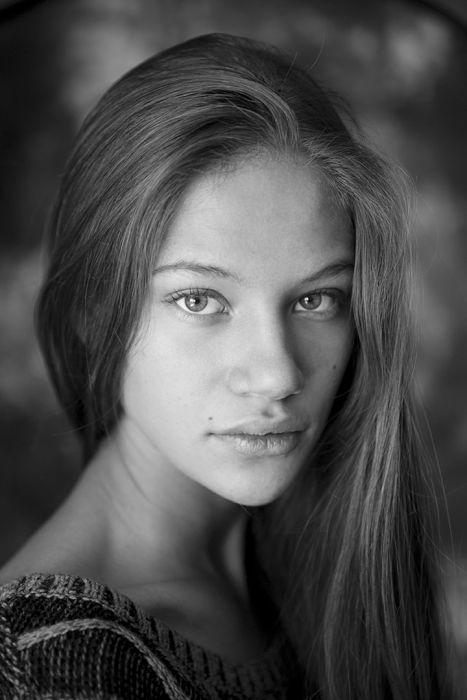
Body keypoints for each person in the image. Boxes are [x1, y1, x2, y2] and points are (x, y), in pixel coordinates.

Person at [0, 32, 453, 700]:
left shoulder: (314, 574)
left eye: (316, 299)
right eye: (199, 299)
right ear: (95, 312)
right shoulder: (46, 665)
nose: (277, 375)